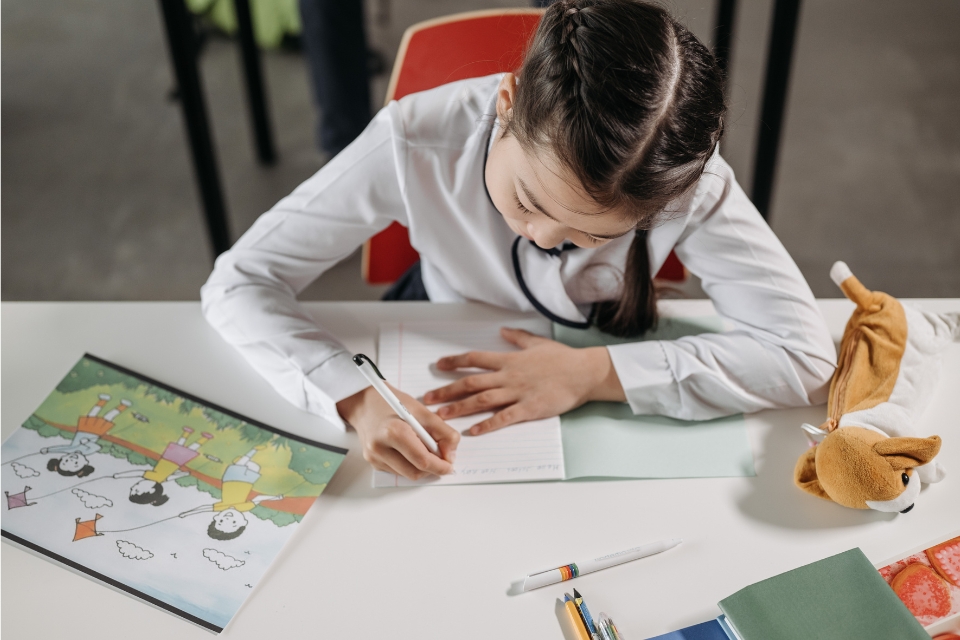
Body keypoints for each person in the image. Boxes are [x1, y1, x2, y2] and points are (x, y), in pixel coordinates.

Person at [201, 0, 836, 483]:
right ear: (506, 102)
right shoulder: (416, 138)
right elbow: (239, 282)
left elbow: (804, 358)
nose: (543, 237)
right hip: (438, 332)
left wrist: (595, 373)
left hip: (605, 349)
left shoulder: (689, 185)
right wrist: (354, 396)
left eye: (594, 235)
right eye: (528, 201)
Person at [177, 447, 282, 541]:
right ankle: (241, 460)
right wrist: (274, 497)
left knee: (239, 465)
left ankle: (254, 450)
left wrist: (187, 513)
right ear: (243, 522)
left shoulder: (222, 507)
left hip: (231, 479)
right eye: (233, 523)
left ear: (216, 517)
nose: (228, 519)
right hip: (247, 482)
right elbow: (258, 498)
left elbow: (203, 508)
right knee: (255, 468)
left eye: (221, 521)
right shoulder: (244, 507)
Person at [114, 426, 214, 506]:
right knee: (187, 449)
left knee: (183, 447)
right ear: (151, 490)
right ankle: (203, 438)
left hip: (169, 459)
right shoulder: (150, 476)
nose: (132, 487)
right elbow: (137, 473)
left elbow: (171, 477)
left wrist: (183, 474)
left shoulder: (159, 479)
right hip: (175, 461)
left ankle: (189, 433)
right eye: (136, 490)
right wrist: (119, 475)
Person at [43, 395, 132, 477]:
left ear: (63, 458)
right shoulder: (87, 451)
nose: (72, 460)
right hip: (96, 432)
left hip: (83, 429)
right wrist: (87, 442)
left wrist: (48, 450)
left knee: (91, 414)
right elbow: (97, 447)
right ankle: (123, 406)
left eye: (66, 461)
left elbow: (60, 448)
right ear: (84, 463)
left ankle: (103, 400)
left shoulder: (71, 448)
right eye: (76, 464)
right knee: (107, 418)